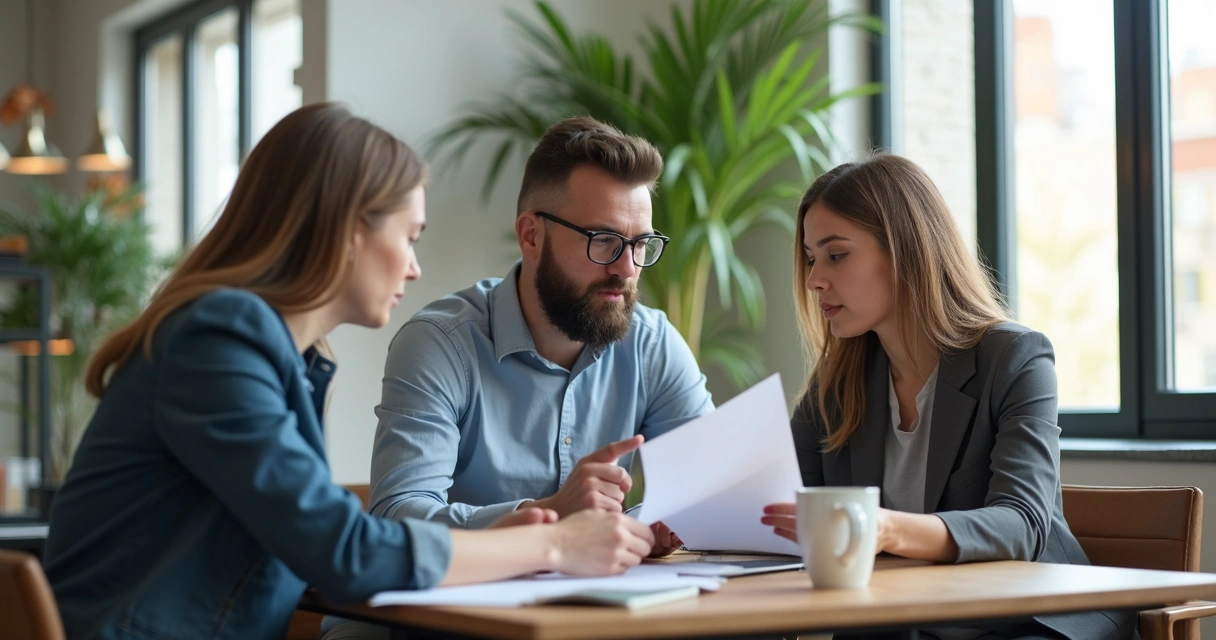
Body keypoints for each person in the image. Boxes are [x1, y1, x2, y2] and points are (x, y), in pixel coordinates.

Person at [42, 103, 655, 640]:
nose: (414, 269)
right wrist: (555, 542)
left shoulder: (281, 356)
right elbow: (344, 550)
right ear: (345, 233)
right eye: (409, 237)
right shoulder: (218, 340)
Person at [760, 154, 1135, 640]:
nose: (814, 279)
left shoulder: (1016, 359)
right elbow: (780, 512)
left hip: (1028, 623)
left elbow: (1021, 524)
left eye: (836, 254)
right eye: (812, 259)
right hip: (902, 623)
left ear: (905, 249)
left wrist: (886, 528)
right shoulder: (834, 388)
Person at [367, 115, 712, 547]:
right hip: (453, 610)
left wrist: (660, 522)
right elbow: (397, 519)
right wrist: (546, 516)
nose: (626, 268)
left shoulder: (652, 343)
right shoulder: (442, 345)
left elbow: (713, 490)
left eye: (640, 244)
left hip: (589, 606)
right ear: (531, 235)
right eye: (602, 239)